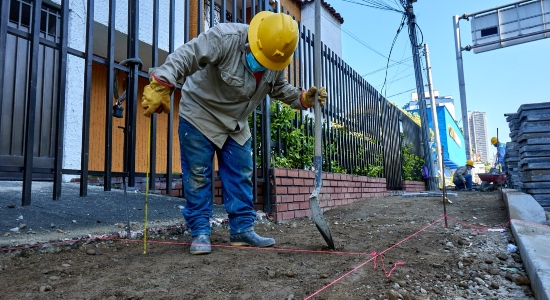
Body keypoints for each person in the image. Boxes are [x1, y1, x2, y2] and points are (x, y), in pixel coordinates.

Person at [140, 11, 327, 255]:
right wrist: (161, 82)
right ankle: (200, 232)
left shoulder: (274, 57)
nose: (264, 64)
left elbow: (279, 88)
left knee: (241, 174)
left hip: (236, 122)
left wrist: (302, 98)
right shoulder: (225, 37)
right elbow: (187, 55)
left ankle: (242, 230)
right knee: (198, 175)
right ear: (254, 39)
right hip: (200, 113)